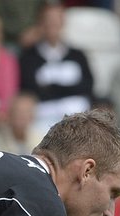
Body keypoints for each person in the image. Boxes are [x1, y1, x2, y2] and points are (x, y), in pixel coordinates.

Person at [18, 2, 94, 133]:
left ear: (63, 22)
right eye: (48, 20)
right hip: (41, 121)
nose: (52, 24)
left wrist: (52, 87)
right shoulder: (28, 56)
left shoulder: (78, 55)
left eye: (56, 20)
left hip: (79, 121)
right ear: (40, 23)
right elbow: (30, 89)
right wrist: (69, 88)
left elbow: (87, 85)